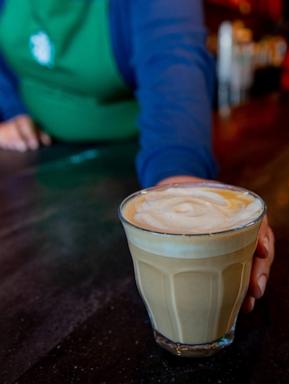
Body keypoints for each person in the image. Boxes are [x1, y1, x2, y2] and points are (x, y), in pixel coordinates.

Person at [0, 0, 274, 312]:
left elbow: (172, 62)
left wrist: (178, 177)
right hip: (32, 160)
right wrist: (10, 111)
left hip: (129, 166)